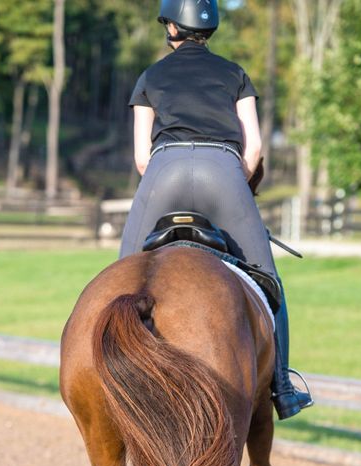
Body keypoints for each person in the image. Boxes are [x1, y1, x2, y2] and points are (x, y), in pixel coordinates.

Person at [119, 0, 313, 420]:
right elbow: (256, 146)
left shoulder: (150, 76)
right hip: (225, 169)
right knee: (268, 283)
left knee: (122, 278)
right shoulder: (234, 74)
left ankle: (114, 377)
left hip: (163, 169)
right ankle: (282, 387)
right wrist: (233, 184)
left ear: (170, 26)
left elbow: (140, 156)